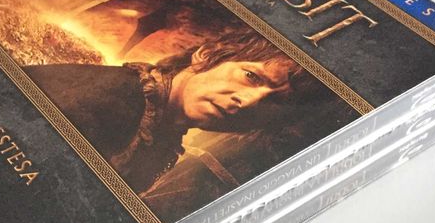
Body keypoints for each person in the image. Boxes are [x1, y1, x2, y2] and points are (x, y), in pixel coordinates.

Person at [22, 30, 320, 195]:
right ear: (206, 56)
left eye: (271, 103)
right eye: (251, 77)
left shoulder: (161, 134)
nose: (248, 102)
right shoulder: (116, 96)